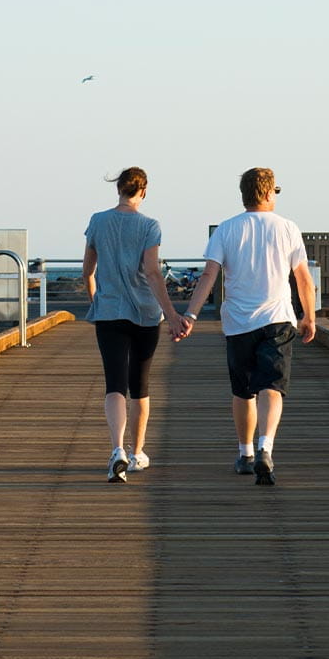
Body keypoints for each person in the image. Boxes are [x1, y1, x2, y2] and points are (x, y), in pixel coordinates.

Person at [174, 167, 315, 486]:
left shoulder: (226, 229)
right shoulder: (288, 228)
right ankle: (267, 447)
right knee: (272, 387)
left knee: (243, 391)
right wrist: (309, 317)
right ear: (267, 193)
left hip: (238, 323)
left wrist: (191, 316)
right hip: (278, 319)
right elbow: (303, 277)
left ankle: (246, 453)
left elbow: (209, 276)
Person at [82, 166, 184, 483]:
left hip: (108, 312)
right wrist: (172, 314)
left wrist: (96, 301)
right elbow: (153, 273)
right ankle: (137, 452)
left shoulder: (98, 221)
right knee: (140, 384)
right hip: (145, 313)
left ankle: (117, 450)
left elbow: (88, 271)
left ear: (119, 190)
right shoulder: (150, 225)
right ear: (144, 191)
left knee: (114, 384)